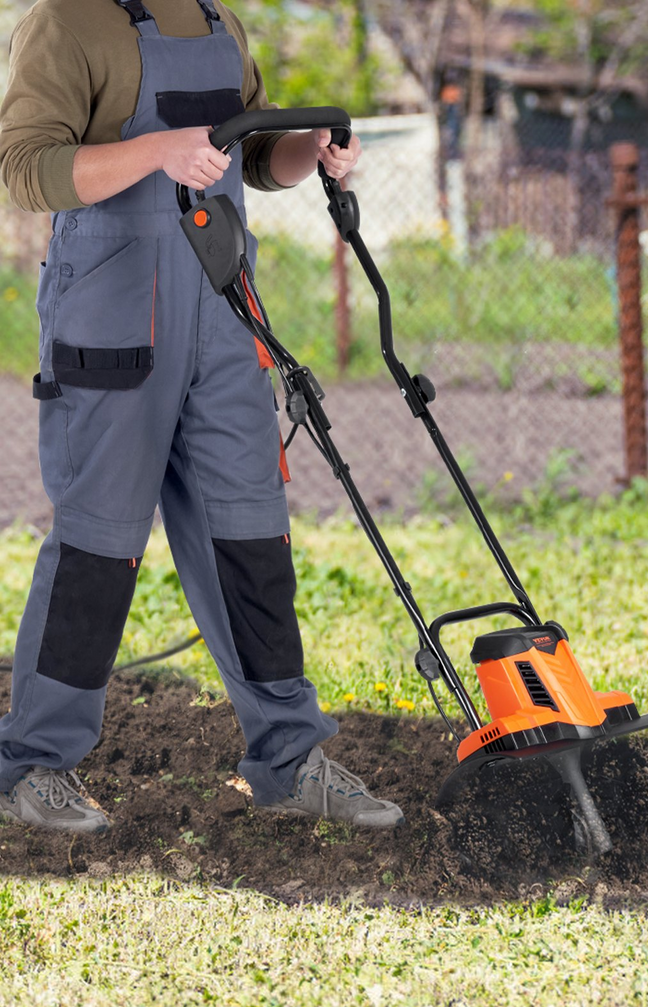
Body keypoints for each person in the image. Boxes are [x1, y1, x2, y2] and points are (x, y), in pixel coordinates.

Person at [0, 0, 403, 833]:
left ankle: (288, 758)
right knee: (98, 545)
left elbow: (249, 161)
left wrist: (309, 153)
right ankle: (32, 764)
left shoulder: (220, 21)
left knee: (251, 535)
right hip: (113, 314)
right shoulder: (66, 21)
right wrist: (153, 151)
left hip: (223, 309)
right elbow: (22, 166)